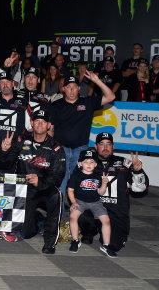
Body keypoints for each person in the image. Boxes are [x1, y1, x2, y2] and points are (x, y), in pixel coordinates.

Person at [0, 109, 66, 253]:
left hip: (46, 188)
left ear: (49, 125)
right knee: (27, 233)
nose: (40, 124)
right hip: (25, 190)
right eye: (37, 121)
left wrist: (40, 180)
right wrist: (4, 150)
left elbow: (58, 177)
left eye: (43, 122)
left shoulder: (56, 148)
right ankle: (39, 220)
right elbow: (5, 165)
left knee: (57, 195)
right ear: (32, 124)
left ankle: (50, 242)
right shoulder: (21, 141)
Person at [49, 73, 115, 217]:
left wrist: (97, 80)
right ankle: (57, 219)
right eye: (68, 87)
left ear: (79, 88)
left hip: (82, 152)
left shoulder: (87, 103)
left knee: (83, 185)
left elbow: (111, 97)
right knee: (60, 184)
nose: (71, 90)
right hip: (62, 151)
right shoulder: (55, 105)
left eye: (74, 87)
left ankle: (80, 221)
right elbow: (50, 129)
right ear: (63, 89)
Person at [78, 132, 149, 252]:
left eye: (108, 144)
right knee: (80, 212)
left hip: (116, 213)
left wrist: (138, 171)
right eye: (102, 144)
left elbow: (139, 189)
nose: (105, 148)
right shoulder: (87, 163)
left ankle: (110, 234)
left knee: (113, 246)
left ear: (113, 146)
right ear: (96, 147)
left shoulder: (124, 164)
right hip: (95, 209)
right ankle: (89, 232)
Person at [67, 149, 115, 257]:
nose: (89, 164)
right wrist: (73, 202)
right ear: (80, 163)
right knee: (73, 217)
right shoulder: (76, 175)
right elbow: (70, 190)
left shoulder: (98, 175)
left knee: (106, 221)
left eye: (92, 162)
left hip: (96, 202)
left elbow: (101, 192)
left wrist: (104, 184)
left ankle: (106, 245)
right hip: (80, 201)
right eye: (86, 162)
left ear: (95, 164)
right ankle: (75, 240)